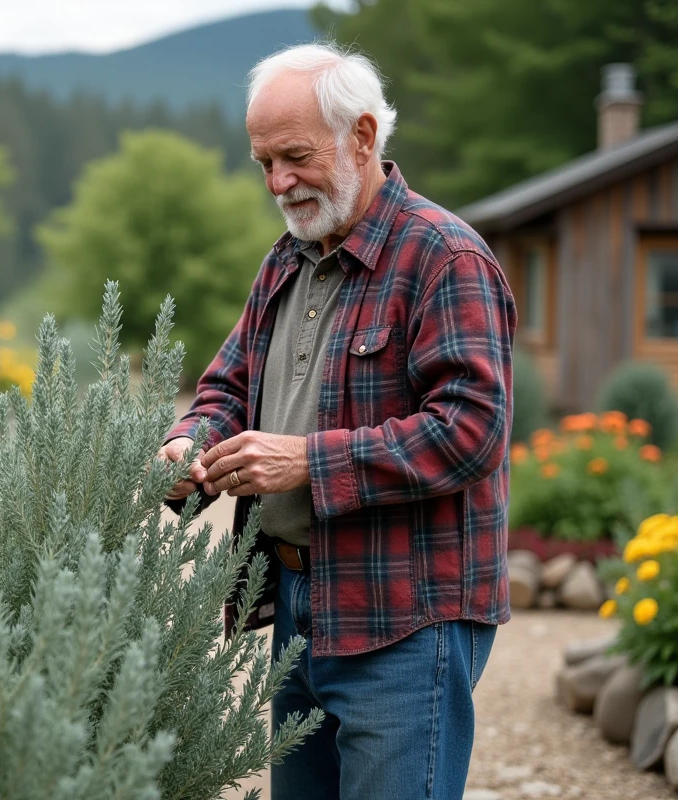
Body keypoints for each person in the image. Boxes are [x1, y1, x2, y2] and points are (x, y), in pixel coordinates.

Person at [159, 43, 517, 800]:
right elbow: (227, 385)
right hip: (294, 601)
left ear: (362, 136)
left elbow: (471, 431)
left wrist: (306, 464)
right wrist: (190, 442)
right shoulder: (285, 260)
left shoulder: (444, 256)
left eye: (294, 156)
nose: (277, 183)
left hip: (406, 615)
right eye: (263, 162)